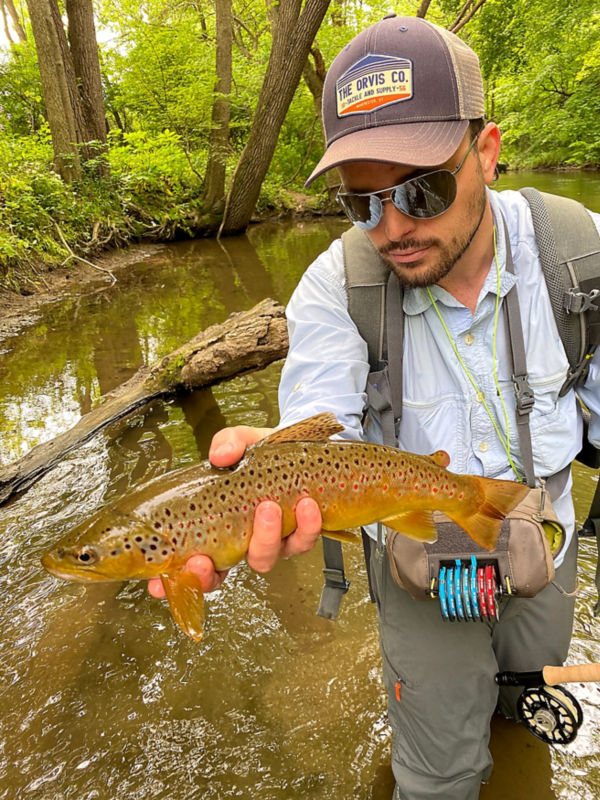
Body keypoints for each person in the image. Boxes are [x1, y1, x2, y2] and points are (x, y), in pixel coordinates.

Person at [149, 14, 600, 799]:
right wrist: (280, 472)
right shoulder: (337, 285)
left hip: (547, 547)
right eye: (363, 203)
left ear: (486, 153)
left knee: (520, 697)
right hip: (416, 563)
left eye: (421, 190)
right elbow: (324, 413)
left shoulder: (579, 253)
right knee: (440, 775)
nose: (392, 228)